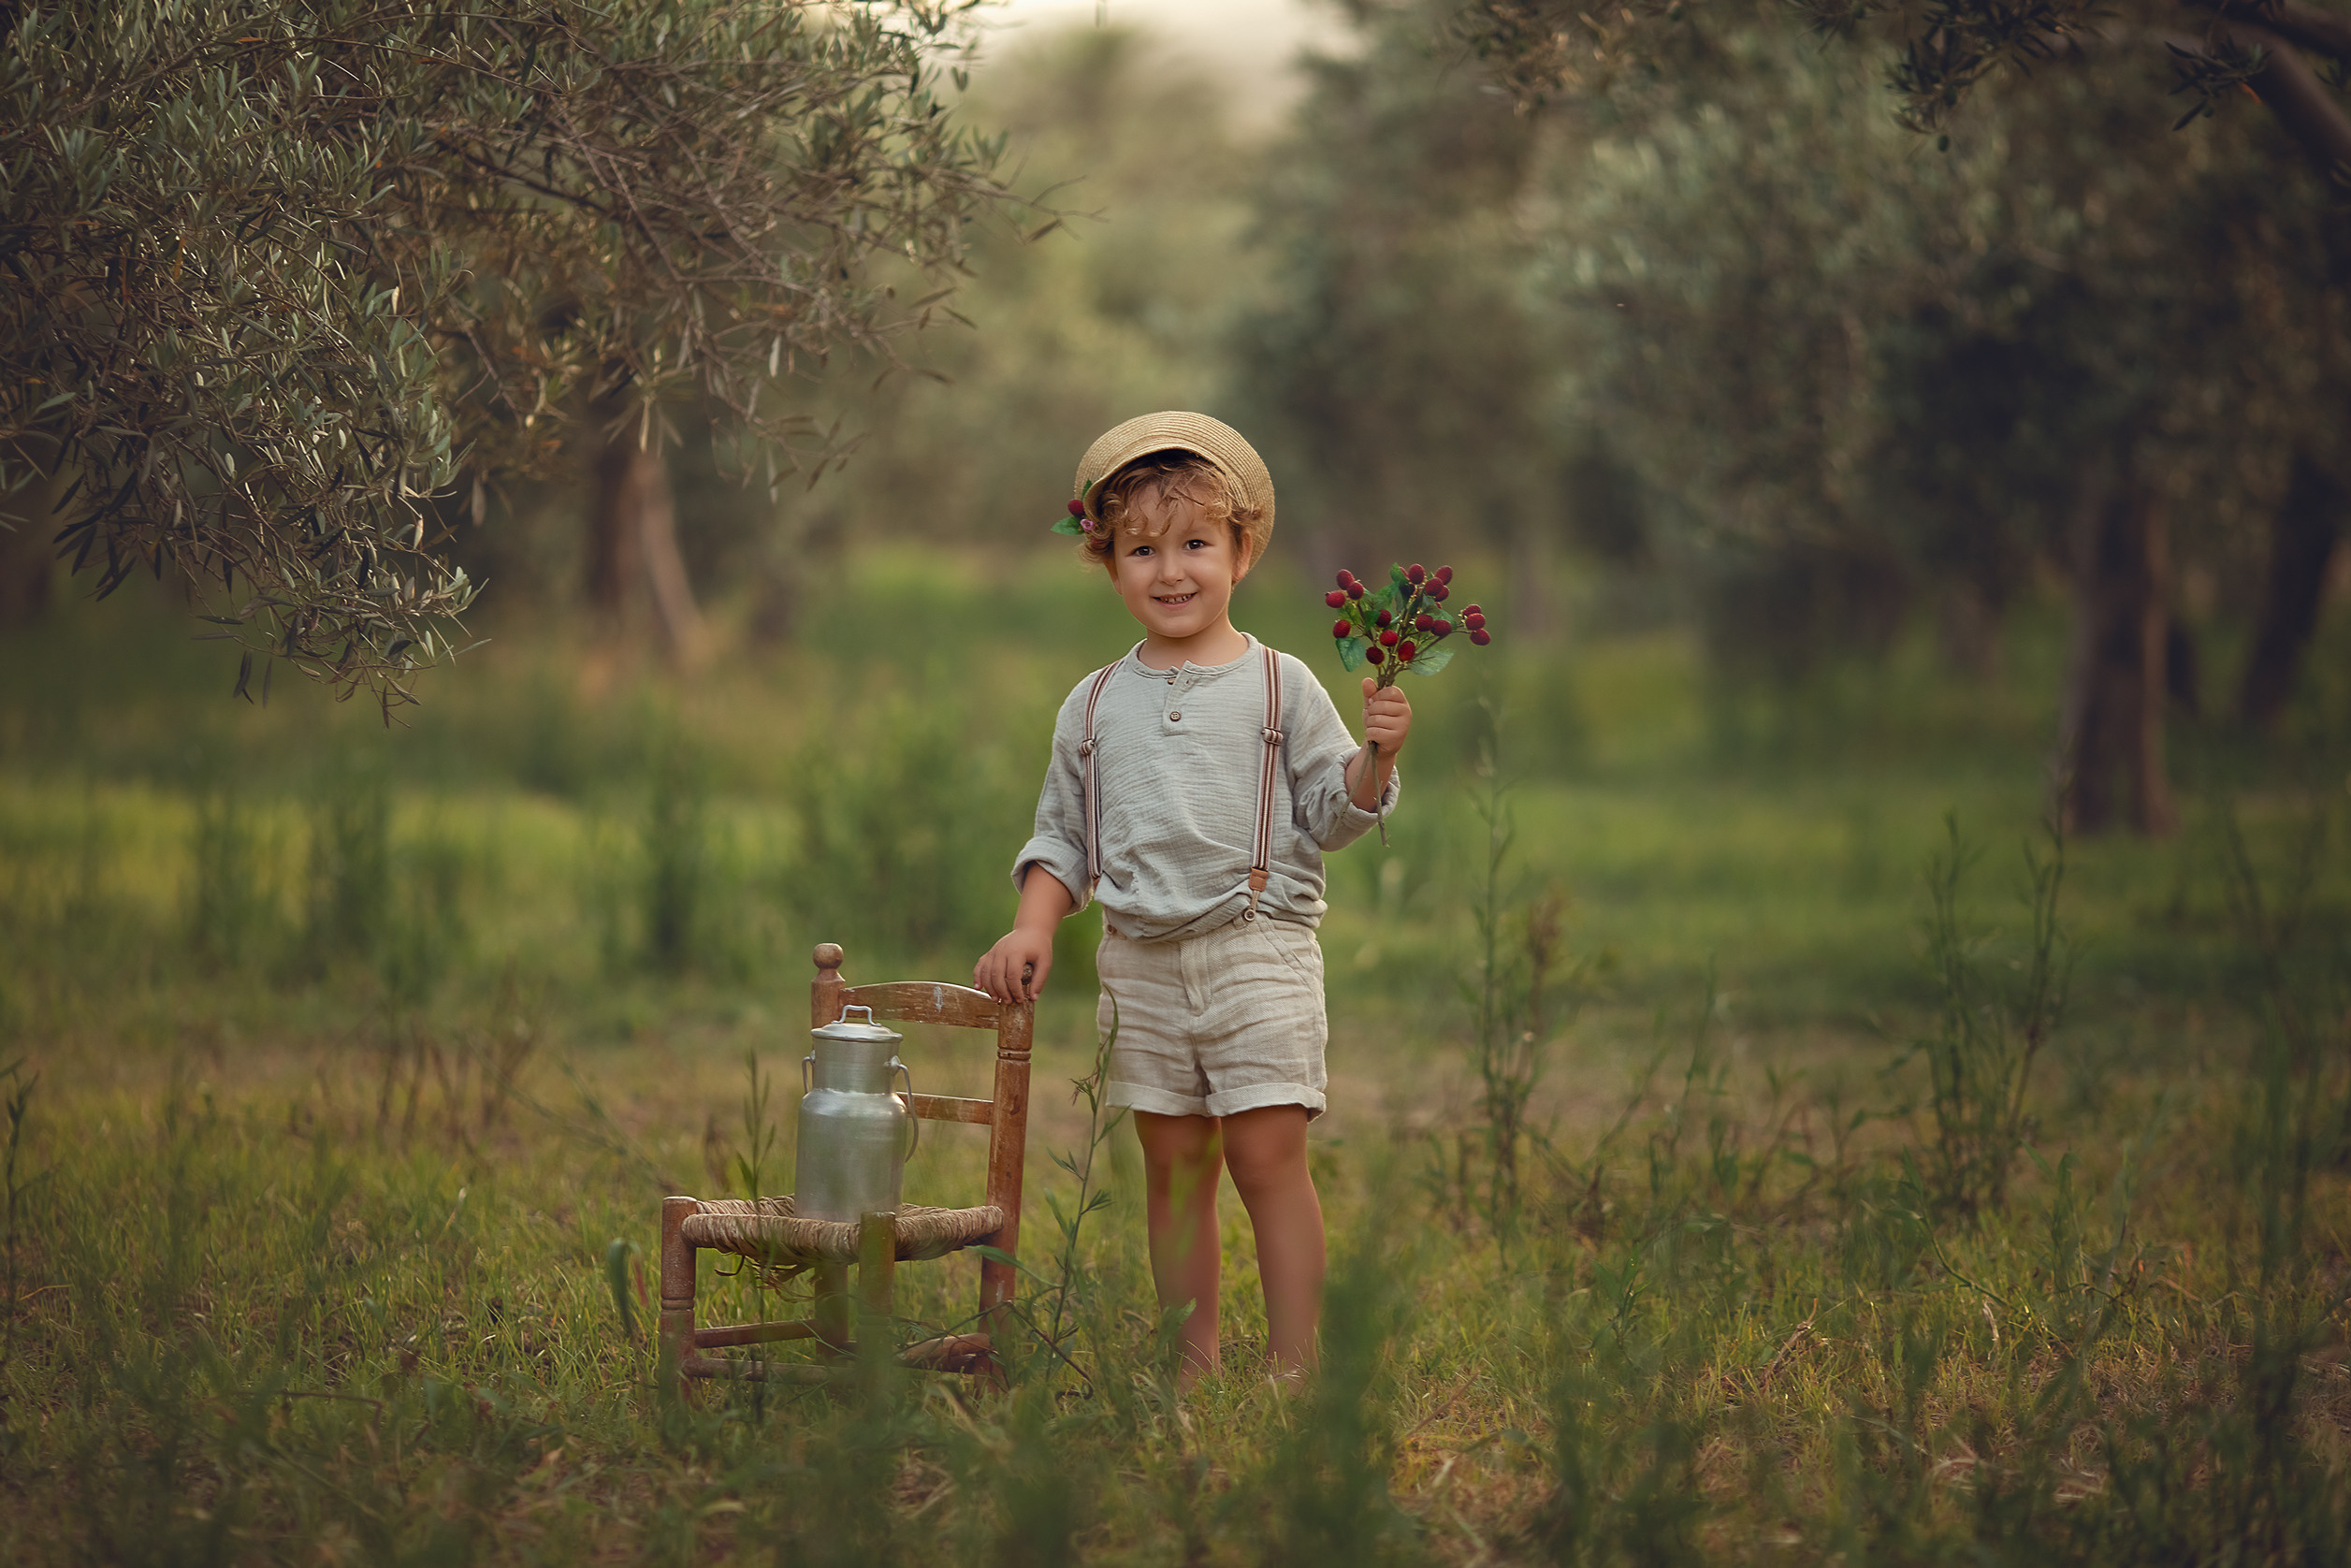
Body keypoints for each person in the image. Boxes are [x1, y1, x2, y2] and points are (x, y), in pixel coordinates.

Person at [972, 412, 1410, 1385]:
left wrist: (1375, 757)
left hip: (1256, 948)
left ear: (1241, 551)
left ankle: (1296, 1361)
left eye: (1195, 545)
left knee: (1265, 1159)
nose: (1170, 570)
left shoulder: (1277, 684)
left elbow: (1333, 812)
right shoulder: (1090, 704)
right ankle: (1191, 1359)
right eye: (1141, 549)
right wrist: (1033, 921)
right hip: (1139, 962)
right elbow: (1062, 837)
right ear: (1107, 560)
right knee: (1172, 1173)